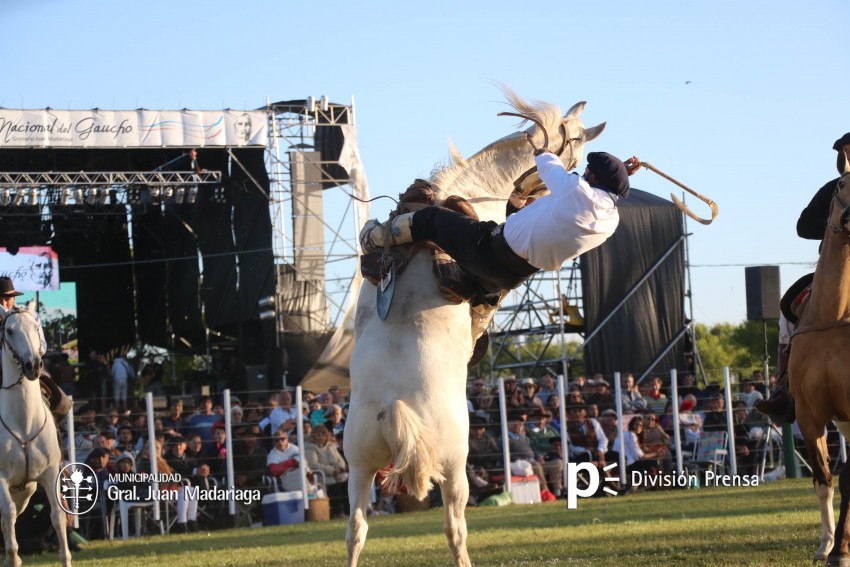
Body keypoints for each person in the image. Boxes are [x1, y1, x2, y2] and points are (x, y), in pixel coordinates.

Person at [360, 147, 640, 296]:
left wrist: (543, 151)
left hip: (489, 250)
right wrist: (620, 176)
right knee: (488, 275)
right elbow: (596, 192)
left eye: (586, 171)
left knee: (432, 218)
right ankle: (481, 306)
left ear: (591, 178)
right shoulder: (611, 219)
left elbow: (549, 164)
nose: (582, 174)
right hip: (514, 277)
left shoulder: (577, 190)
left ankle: (376, 238)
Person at [757, 132, 850, 422]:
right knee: (788, 311)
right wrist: (837, 221)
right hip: (835, 268)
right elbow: (803, 226)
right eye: (847, 151)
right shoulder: (833, 189)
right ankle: (785, 390)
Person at [0, 277, 71, 419]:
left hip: (28, 362)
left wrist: (26, 354)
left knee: (62, 402)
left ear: (14, 298)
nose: (3, 303)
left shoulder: (30, 316)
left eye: (7, 299)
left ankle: (55, 431)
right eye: (0, 299)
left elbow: (42, 346)